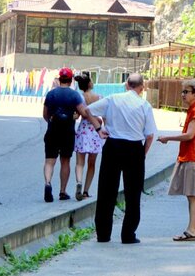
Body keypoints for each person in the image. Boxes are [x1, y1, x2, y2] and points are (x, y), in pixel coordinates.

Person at [87, 73, 157, 244]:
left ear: (126, 84)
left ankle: (103, 234)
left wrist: (99, 129)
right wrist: (142, 154)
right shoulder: (144, 105)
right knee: (133, 194)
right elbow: (149, 135)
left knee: (106, 191)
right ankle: (128, 234)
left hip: (113, 146)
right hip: (134, 148)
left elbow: (88, 110)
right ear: (142, 87)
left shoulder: (113, 99)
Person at [158, 80, 195, 241]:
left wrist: (168, 138)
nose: (183, 94)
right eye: (183, 91)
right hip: (191, 156)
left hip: (194, 156)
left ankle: (193, 229)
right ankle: (192, 228)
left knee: (192, 194)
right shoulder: (193, 110)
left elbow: (189, 135)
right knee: (190, 194)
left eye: (186, 92)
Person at [43, 67, 102, 203]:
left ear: (59, 79)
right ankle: (62, 192)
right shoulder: (74, 95)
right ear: (70, 81)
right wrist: (97, 123)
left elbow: (45, 114)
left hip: (52, 131)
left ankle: (47, 183)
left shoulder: (50, 94)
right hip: (67, 132)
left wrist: (50, 122)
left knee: (49, 161)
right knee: (65, 161)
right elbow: (84, 113)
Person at [73, 73, 105, 200]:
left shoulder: (79, 98)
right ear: (90, 83)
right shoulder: (100, 97)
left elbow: (77, 116)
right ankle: (86, 191)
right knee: (91, 164)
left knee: (79, 163)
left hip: (83, 130)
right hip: (96, 132)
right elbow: (104, 116)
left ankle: (79, 182)